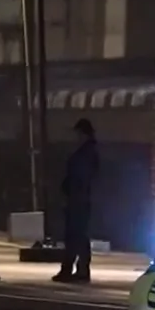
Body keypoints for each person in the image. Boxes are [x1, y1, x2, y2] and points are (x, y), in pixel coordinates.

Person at [53, 118, 99, 284]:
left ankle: (76, 270)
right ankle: (76, 269)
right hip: (79, 198)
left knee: (76, 235)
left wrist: (70, 191)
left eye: (78, 133)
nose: (76, 137)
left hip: (78, 199)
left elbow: (79, 177)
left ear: (83, 134)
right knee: (77, 235)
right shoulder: (88, 151)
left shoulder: (85, 153)